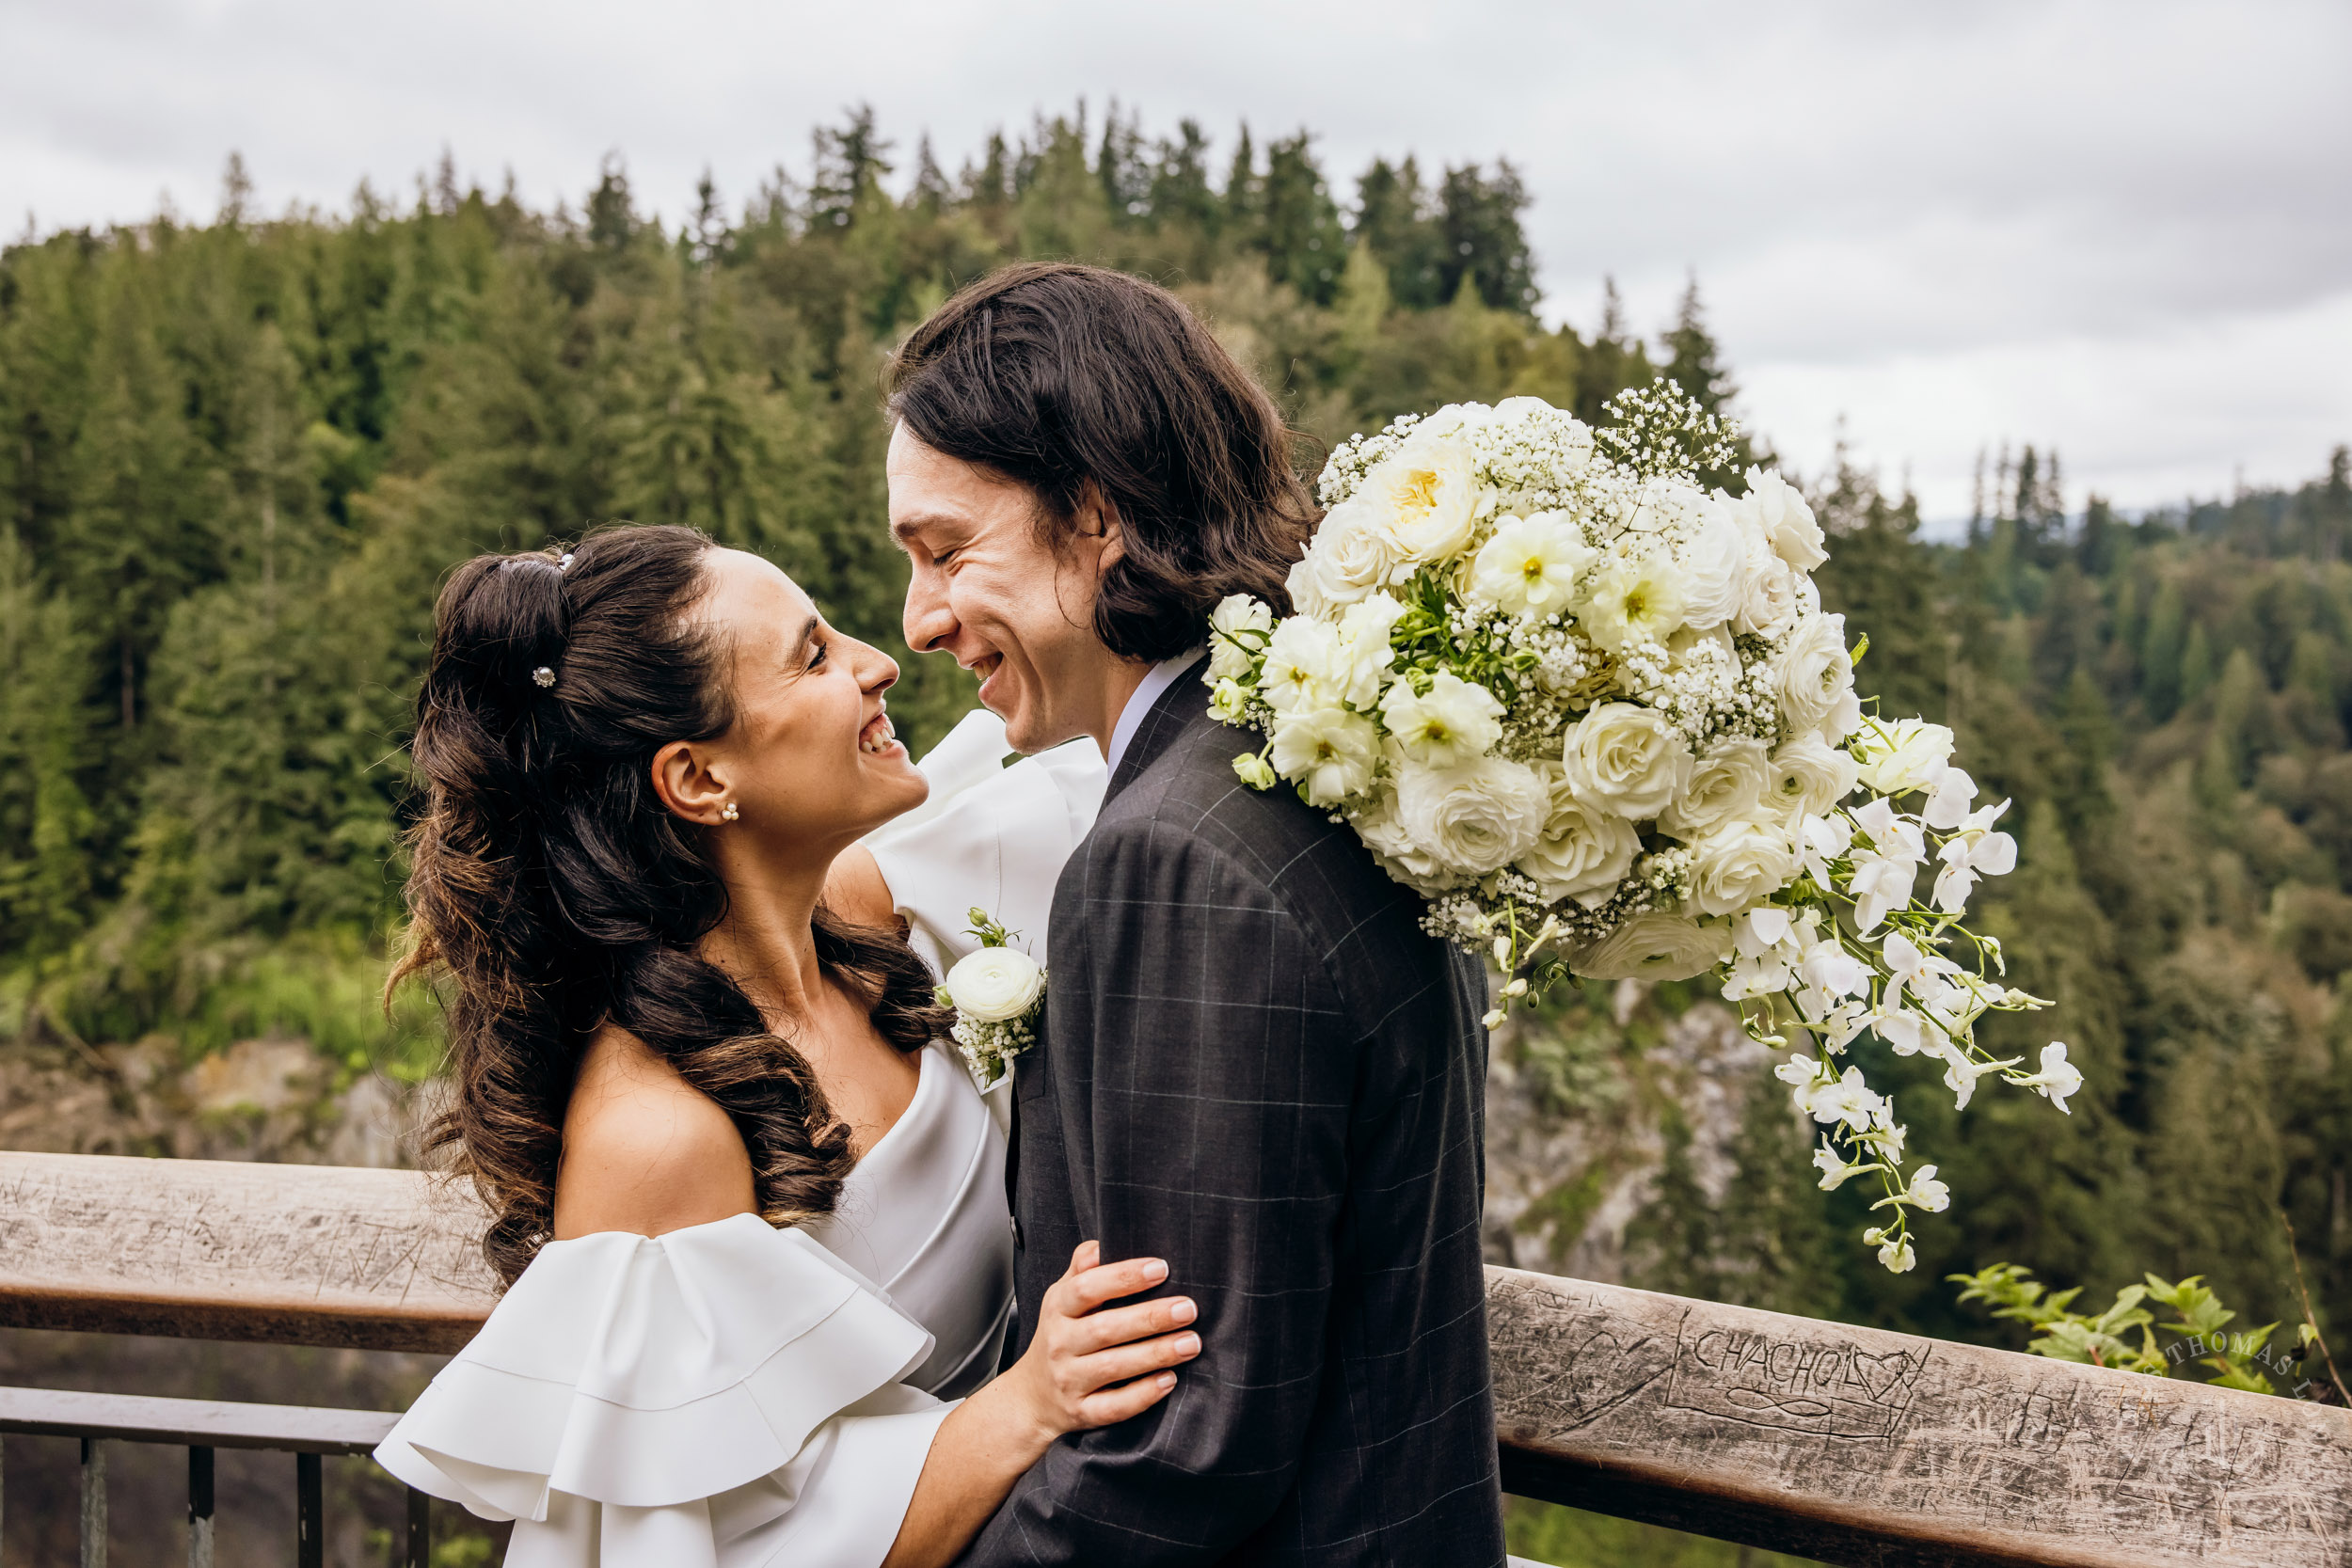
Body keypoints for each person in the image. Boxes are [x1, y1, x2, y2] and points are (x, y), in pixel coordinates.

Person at [372, 524, 1194, 1567]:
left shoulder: (871, 923)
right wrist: (1026, 1403)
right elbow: (735, 1545)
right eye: (813, 655)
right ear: (700, 778)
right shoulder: (657, 1137)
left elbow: (1091, 790)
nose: (879, 660)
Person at [885, 261, 1507, 1565]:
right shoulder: (1304, 764)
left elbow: (1178, 1442)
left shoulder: (1178, 850)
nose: (922, 617)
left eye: (948, 551)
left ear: (1098, 517)